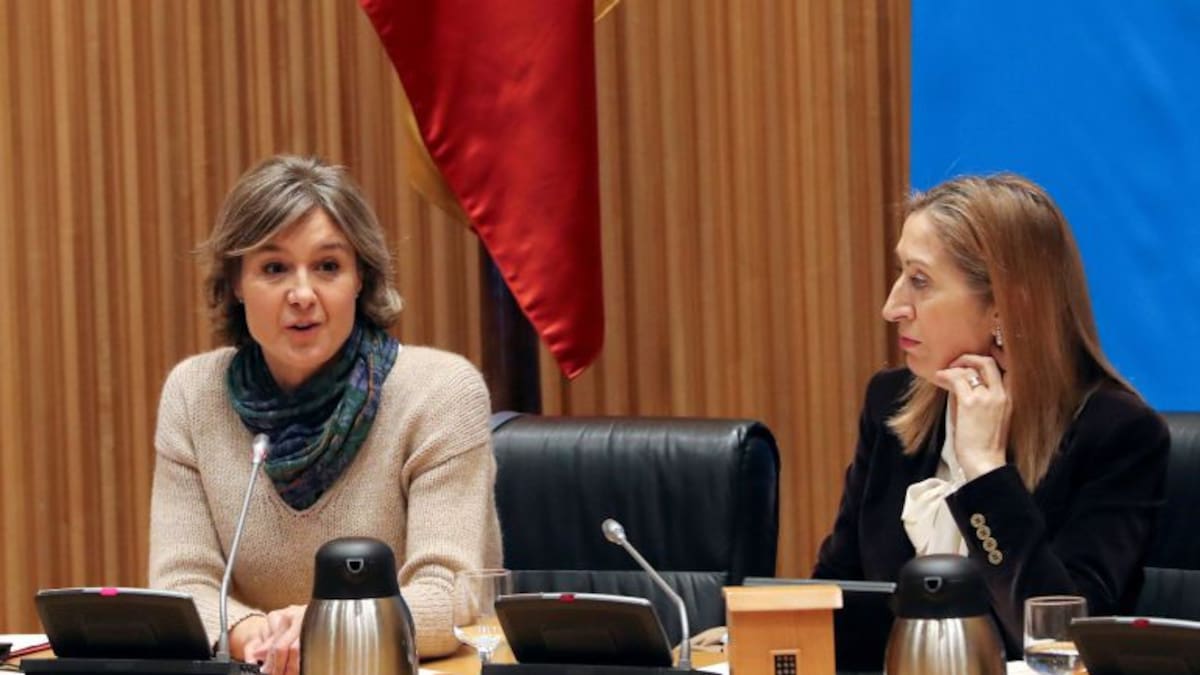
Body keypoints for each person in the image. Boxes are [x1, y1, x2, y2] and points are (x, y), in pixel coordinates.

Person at [149, 154, 502, 674]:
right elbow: (182, 584)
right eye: (274, 268)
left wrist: (324, 627)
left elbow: (449, 594)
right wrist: (252, 635)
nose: (302, 295)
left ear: (360, 278)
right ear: (237, 282)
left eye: (328, 267)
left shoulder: (439, 393)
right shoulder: (194, 395)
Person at [813, 173, 1169, 657]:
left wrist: (985, 473)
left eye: (920, 281)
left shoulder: (1117, 435)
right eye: (901, 275)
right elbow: (838, 598)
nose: (892, 307)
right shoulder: (889, 403)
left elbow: (1065, 642)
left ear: (1005, 305)